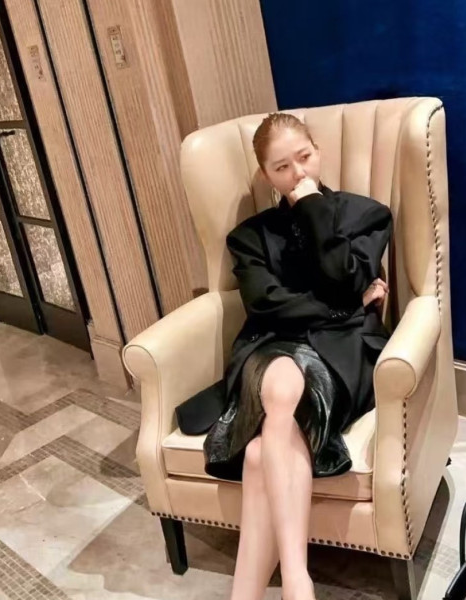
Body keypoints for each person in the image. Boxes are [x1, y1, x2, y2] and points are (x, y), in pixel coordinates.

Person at [180, 112, 393, 600]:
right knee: (280, 386)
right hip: (271, 345)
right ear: (265, 175)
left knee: (260, 455)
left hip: (342, 354)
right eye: (282, 168)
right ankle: (298, 580)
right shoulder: (249, 236)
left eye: (304, 158)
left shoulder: (366, 215)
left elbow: (346, 276)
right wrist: (344, 309)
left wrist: (313, 206)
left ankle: (259, 592)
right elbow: (266, 304)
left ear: (318, 150)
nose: (297, 173)